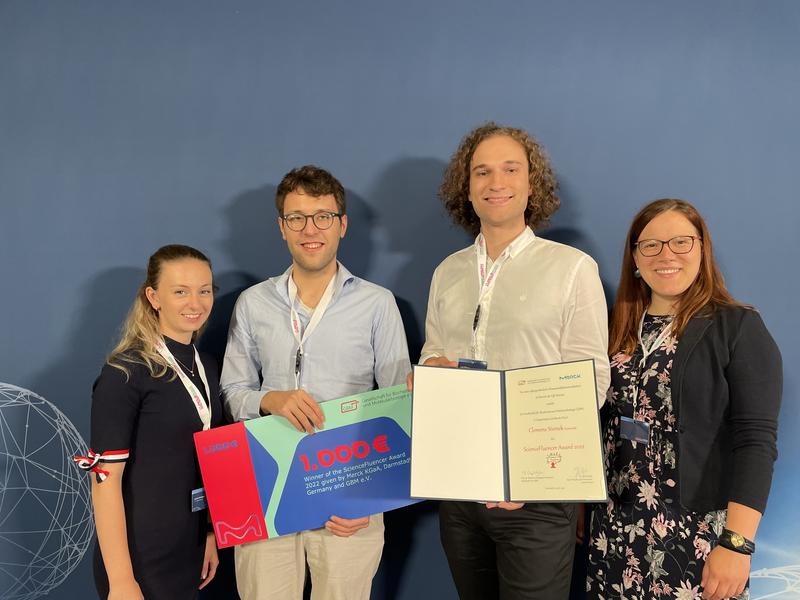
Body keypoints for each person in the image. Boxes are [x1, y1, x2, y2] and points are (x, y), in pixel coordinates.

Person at [416, 122, 611, 599]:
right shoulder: (448, 272)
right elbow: (432, 351)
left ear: (532, 183)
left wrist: (528, 473)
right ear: (466, 188)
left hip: (538, 495)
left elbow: (591, 380)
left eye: (510, 169)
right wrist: (430, 371)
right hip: (460, 493)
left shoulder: (572, 268)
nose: (495, 183)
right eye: (481, 172)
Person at [220, 165, 410, 600]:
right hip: (266, 486)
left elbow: (400, 406)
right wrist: (270, 399)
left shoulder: (377, 304)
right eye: (297, 218)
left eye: (323, 216)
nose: (311, 229)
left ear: (341, 224)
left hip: (348, 492)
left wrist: (370, 499)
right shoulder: (253, 304)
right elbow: (232, 394)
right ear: (282, 228)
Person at [586, 199, 782, 600]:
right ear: (635, 258)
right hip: (614, 529)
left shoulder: (737, 327)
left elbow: (755, 441)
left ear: (701, 249)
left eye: (680, 242)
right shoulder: (610, 326)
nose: (666, 255)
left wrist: (737, 544)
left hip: (697, 536)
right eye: (651, 245)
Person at [75, 244, 222, 599]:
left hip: (187, 550)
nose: (195, 303)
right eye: (180, 291)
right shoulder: (125, 373)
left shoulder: (207, 365)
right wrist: (122, 581)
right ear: (153, 297)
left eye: (204, 290)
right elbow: (105, 485)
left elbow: (204, 462)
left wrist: (208, 534)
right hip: (139, 560)